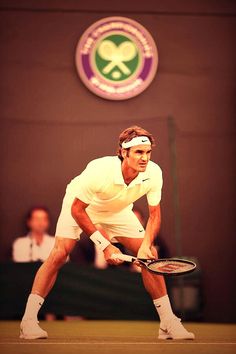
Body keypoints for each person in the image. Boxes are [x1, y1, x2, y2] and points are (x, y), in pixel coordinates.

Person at [20, 126, 195, 340]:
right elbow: (77, 210)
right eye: (139, 152)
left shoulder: (154, 172)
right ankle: (28, 321)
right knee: (59, 253)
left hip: (118, 211)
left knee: (151, 256)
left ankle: (168, 322)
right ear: (123, 152)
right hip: (82, 206)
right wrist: (104, 245)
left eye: (148, 152)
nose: (145, 158)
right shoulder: (99, 170)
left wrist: (145, 245)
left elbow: (155, 215)